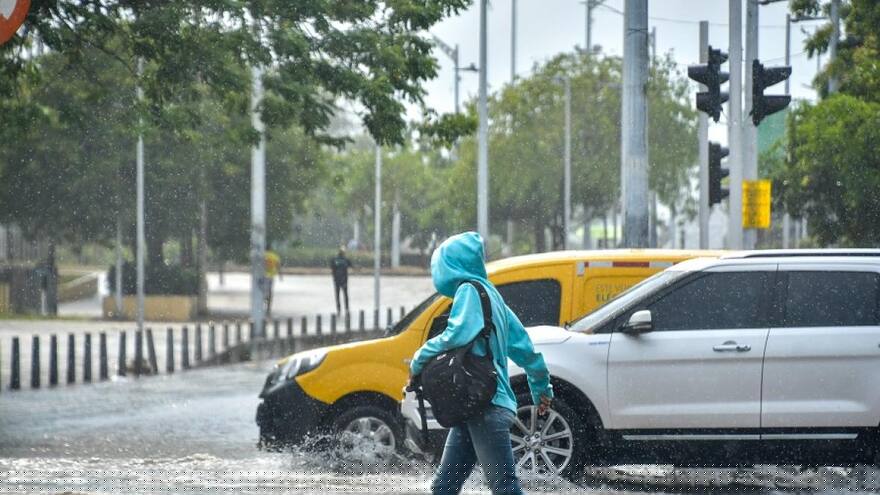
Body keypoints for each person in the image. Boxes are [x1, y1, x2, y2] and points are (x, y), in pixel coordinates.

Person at [409, 231, 553, 495]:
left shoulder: (469, 291)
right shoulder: (493, 297)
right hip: (474, 407)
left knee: (504, 488)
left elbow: (456, 335)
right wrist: (541, 389)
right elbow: (526, 350)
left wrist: (419, 359)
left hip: (486, 406)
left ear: (449, 266)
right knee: (444, 487)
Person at [330, 247, 352, 314]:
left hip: (337, 280)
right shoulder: (346, 260)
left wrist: (334, 277)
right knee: (345, 295)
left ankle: (339, 309)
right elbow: (351, 265)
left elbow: (332, 269)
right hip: (344, 280)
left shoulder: (334, 260)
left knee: (337, 295)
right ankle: (347, 309)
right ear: (343, 253)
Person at [263, 249, 282, 316]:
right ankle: (268, 307)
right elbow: (278, 266)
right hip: (271, 276)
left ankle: (264, 301)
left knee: (263, 291)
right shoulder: (275, 256)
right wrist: (280, 275)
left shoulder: (263, 255)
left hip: (263, 276)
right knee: (270, 291)